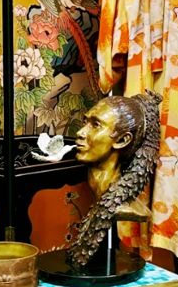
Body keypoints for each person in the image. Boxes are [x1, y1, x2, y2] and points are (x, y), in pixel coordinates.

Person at [67, 91, 160, 268]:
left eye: (96, 125)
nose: (80, 132)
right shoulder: (97, 189)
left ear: (122, 140)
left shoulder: (127, 207)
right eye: (86, 122)